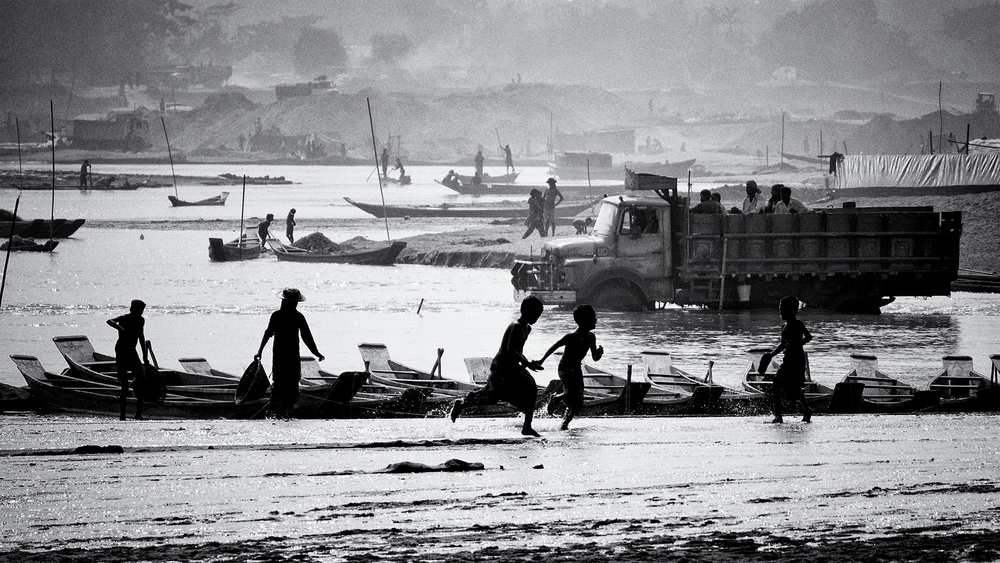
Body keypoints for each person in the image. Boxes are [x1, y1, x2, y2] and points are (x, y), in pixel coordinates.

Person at [450, 296, 544, 436]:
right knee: (492, 396)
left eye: (538, 315)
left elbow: (518, 351)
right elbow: (510, 350)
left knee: (530, 388)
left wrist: (527, 362)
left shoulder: (527, 328)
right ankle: (461, 404)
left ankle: (527, 426)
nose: (536, 318)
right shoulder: (516, 327)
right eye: (534, 314)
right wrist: (527, 364)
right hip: (501, 368)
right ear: (523, 311)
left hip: (513, 367)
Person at [255, 288, 325, 419]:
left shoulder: (280, 316)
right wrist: (260, 351)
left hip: (283, 357)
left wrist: (316, 352)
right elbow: (306, 337)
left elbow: (306, 336)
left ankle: (278, 413)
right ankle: (281, 412)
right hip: (288, 357)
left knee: (283, 385)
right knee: (288, 386)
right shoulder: (294, 316)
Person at [537, 304, 604, 430]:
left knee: (578, 399)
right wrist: (541, 360)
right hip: (565, 368)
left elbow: (595, 358)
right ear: (583, 321)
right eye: (593, 318)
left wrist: (599, 353)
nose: (596, 320)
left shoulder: (591, 337)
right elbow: (554, 347)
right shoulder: (571, 337)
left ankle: (565, 423)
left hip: (576, 368)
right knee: (572, 393)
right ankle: (555, 398)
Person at [760, 296, 813, 424]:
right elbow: (783, 344)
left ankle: (806, 409)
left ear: (793, 310)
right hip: (787, 360)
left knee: (793, 387)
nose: (781, 313)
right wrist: (771, 355)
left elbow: (809, 337)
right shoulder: (784, 327)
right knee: (777, 384)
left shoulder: (798, 324)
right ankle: (779, 416)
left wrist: (797, 344)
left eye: (783, 310)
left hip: (797, 361)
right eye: (780, 310)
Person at [107, 299, 150, 421]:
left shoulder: (141, 320)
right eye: (139, 310)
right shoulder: (124, 318)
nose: (141, 312)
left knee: (142, 379)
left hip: (132, 351)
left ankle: (138, 413)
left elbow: (141, 337)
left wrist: (145, 356)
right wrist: (120, 329)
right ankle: (122, 415)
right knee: (124, 385)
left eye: (142, 310)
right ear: (133, 309)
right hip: (121, 351)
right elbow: (109, 321)